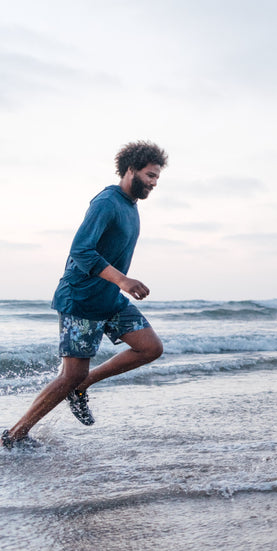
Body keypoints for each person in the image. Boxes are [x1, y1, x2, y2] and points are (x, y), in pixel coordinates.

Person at [2, 141, 168, 450]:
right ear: (130, 169)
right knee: (69, 376)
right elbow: (80, 250)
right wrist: (123, 281)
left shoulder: (130, 207)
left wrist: (117, 285)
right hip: (81, 299)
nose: (154, 183)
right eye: (150, 175)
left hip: (108, 299)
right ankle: (14, 435)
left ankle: (84, 384)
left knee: (150, 348)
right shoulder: (106, 202)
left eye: (157, 177)